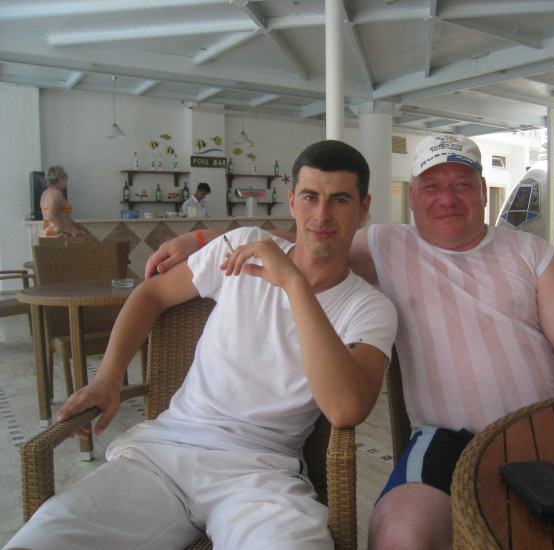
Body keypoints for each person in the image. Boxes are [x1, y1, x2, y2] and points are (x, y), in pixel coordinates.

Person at [143, 134, 554, 549]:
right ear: (412, 198)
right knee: (398, 534)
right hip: (446, 439)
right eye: (432, 186)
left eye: (462, 184)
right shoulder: (387, 244)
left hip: (547, 424)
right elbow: (309, 236)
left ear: (483, 192)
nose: (447, 198)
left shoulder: (531, 251)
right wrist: (203, 238)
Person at [4, 140, 397, 550]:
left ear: (364, 208)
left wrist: (294, 285)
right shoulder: (243, 246)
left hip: (262, 474)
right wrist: (108, 377)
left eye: (339, 200)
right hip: (163, 455)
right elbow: (151, 293)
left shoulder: (370, 308)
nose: (322, 215)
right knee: (50, 534)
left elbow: (346, 409)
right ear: (292, 203)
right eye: (310, 197)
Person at [39, 165, 90, 238]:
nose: (67, 181)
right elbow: (51, 216)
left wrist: (75, 225)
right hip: (57, 233)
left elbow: (60, 215)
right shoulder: (56, 193)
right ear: (60, 179)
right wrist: (71, 230)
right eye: (66, 178)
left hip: (47, 231)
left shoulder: (45, 193)